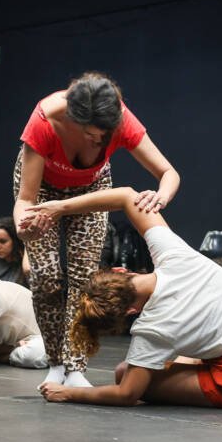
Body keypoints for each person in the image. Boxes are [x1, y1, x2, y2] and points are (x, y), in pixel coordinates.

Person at [24, 186, 222, 408]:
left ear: (127, 313)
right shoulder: (175, 255)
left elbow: (127, 395)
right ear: (121, 270)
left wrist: (72, 393)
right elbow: (127, 196)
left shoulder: (151, 329)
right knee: (139, 369)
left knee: (126, 374)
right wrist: (59, 208)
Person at [13, 72, 180, 389]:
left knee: (83, 277)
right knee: (46, 277)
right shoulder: (45, 120)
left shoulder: (121, 120)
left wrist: (161, 196)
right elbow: (24, 200)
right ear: (73, 119)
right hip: (42, 190)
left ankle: (75, 367)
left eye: (105, 135)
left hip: (91, 189)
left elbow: (168, 173)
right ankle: (55, 362)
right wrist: (26, 228)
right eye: (91, 135)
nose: (98, 142)